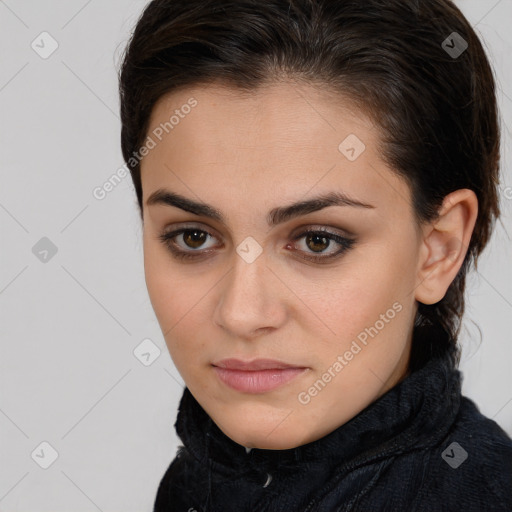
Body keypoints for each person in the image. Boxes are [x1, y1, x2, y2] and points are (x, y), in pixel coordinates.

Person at [118, 0, 512, 510]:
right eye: (193, 237)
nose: (241, 313)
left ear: (438, 249)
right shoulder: (197, 481)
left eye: (317, 241)